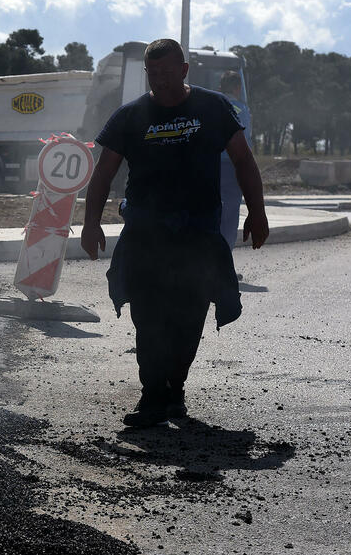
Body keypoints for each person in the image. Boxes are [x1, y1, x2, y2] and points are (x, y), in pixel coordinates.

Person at [81, 38, 268, 427]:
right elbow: (103, 173)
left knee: (188, 319)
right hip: (146, 236)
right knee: (148, 319)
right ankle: (152, 396)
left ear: (184, 70)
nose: (161, 80)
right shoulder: (130, 116)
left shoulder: (214, 108)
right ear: (147, 73)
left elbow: (244, 160)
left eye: (168, 72)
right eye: (154, 74)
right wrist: (90, 221)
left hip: (198, 236)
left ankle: (175, 388)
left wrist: (258, 212)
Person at [218, 70, 253, 254]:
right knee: (230, 215)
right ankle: (225, 263)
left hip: (209, 167)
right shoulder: (242, 109)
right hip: (232, 168)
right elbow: (246, 144)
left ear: (220, 88)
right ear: (238, 88)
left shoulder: (211, 106)